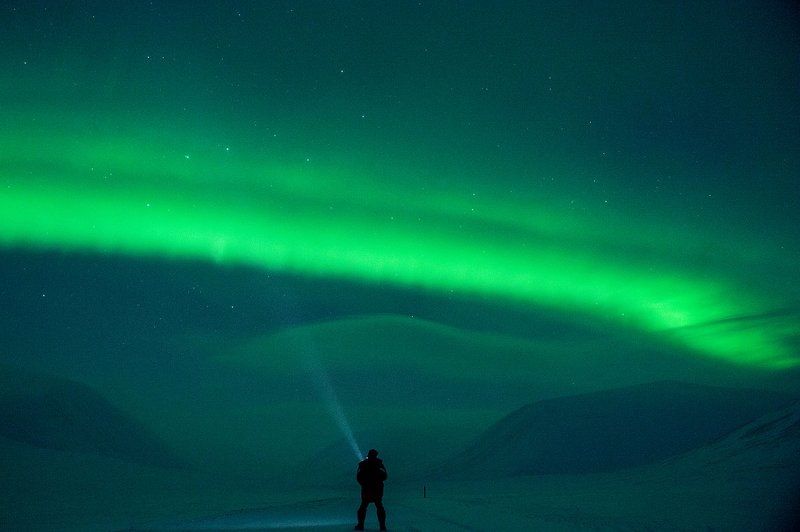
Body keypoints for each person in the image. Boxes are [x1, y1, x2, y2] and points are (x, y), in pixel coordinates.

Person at [355, 448, 387, 531]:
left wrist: (364, 483)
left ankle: (360, 525)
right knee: (379, 506)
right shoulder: (379, 463)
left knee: (363, 507)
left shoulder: (363, 464)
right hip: (377, 489)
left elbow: (358, 477)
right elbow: (385, 476)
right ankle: (382, 526)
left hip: (367, 489)